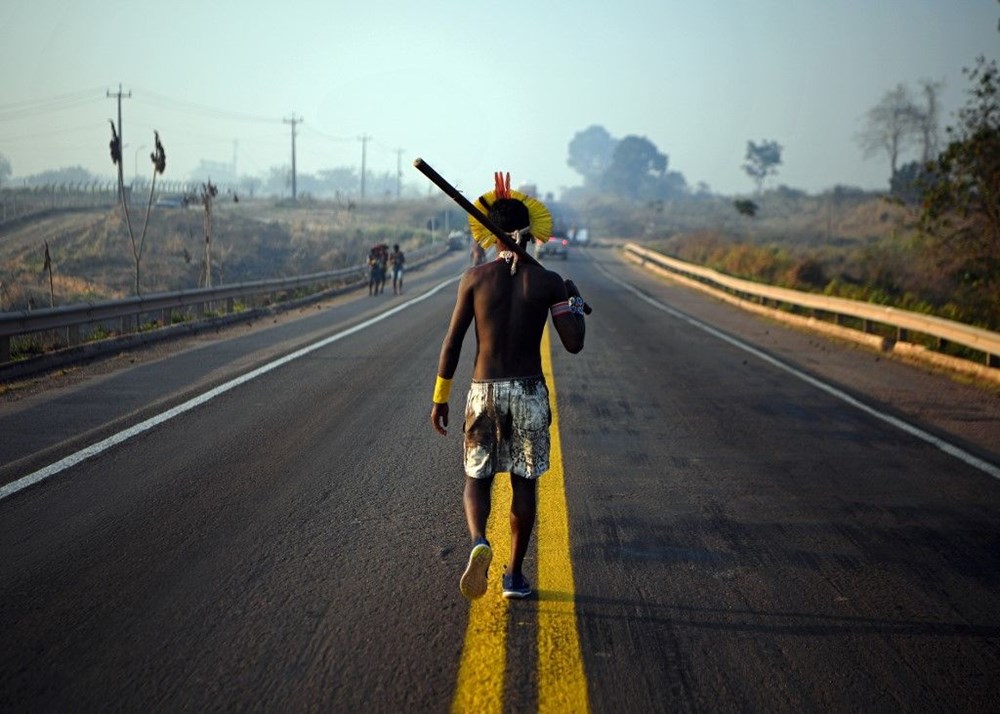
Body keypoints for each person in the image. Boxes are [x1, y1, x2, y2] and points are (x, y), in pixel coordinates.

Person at [430, 172, 586, 600]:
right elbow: (573, 343)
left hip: (484, 391)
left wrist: (440, 397)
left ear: (490, 234)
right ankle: (514, 577)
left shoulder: (474, 279)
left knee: (477, 479)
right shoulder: (548, 281)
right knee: (524, 482)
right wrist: (573, 300)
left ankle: (480, 540)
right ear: (531, 234)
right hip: (530, 393)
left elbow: (453, 342)